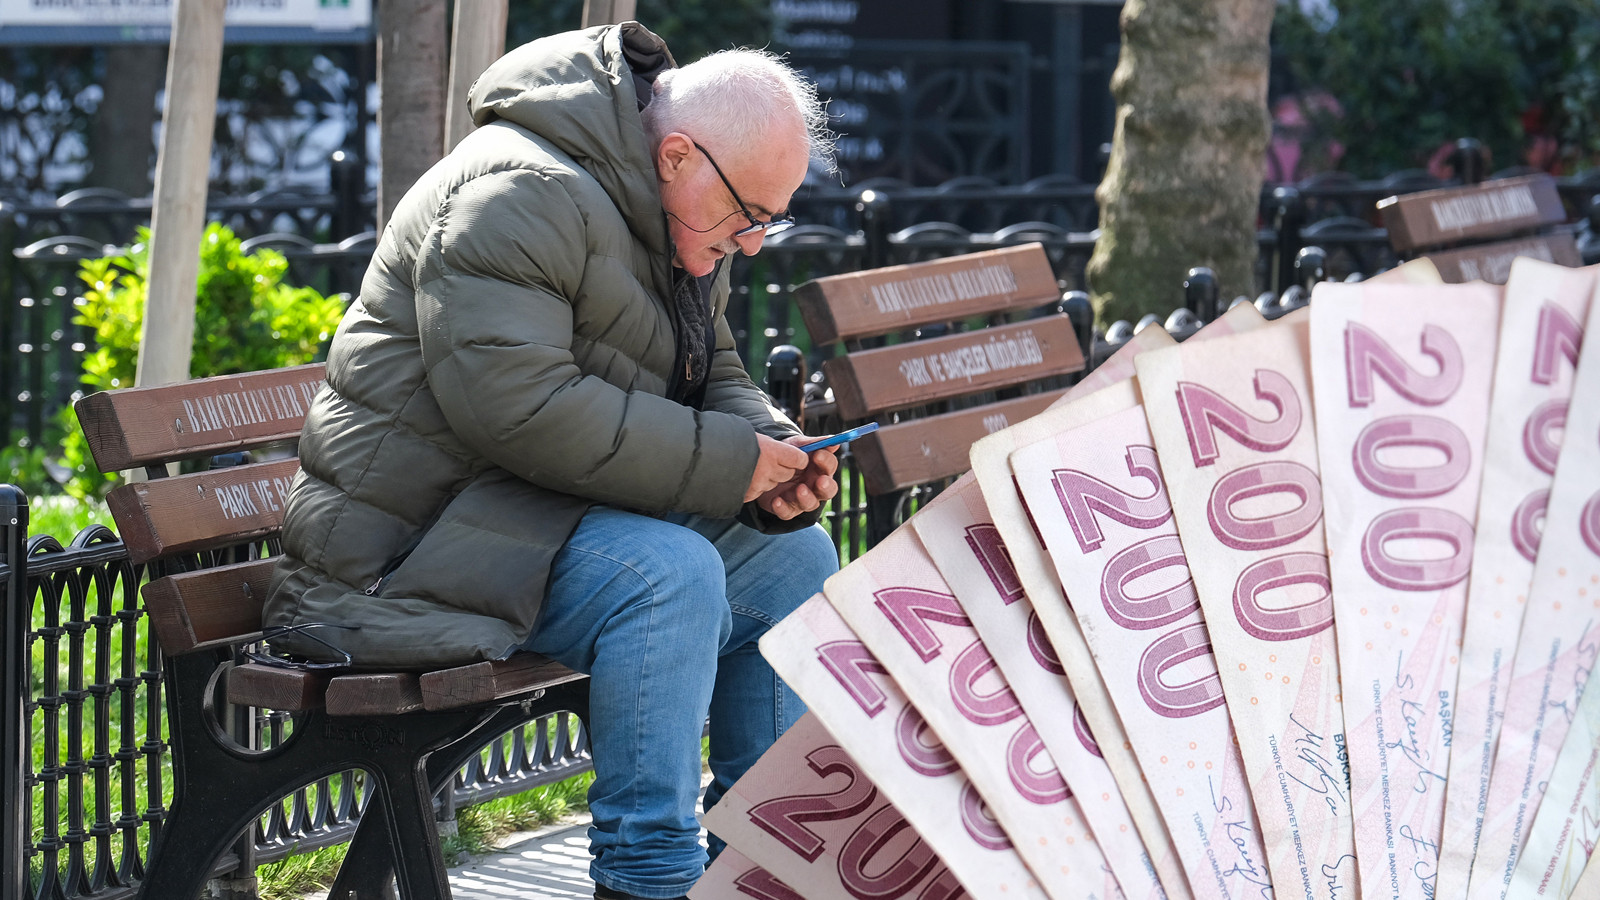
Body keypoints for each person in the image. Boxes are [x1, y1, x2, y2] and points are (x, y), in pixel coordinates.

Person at [263, 21, 841, 900]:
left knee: (795, 555)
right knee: (669, 575)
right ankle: (647, 878)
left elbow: (711, 371)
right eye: (750, 215)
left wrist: (774, 457)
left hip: (522, 522)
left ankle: (755, 868)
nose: (754, 242)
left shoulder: (671, 209)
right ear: (679, 154)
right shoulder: (515, 193)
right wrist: (729, 460)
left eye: (771, 219)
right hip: (400, 557)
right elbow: (521, 409)